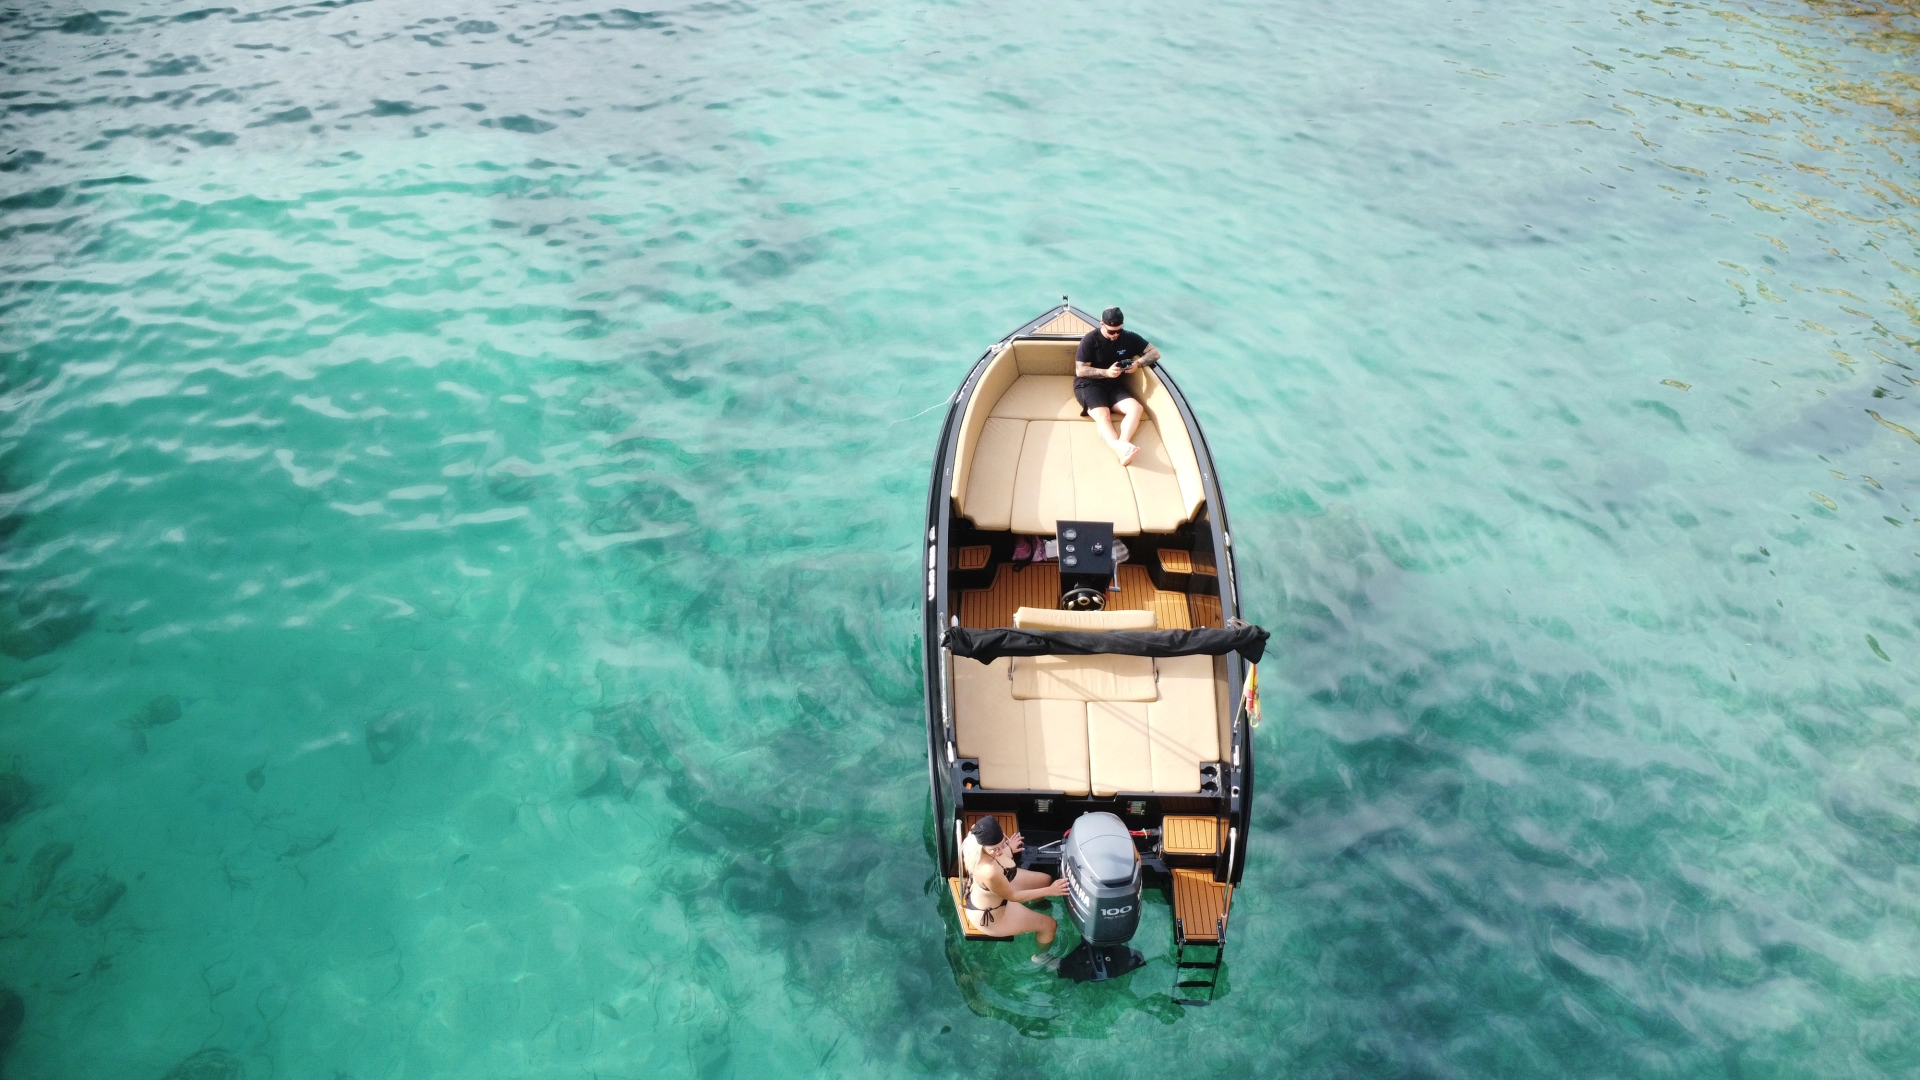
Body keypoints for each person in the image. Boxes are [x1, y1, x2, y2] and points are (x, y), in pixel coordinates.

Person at [960, 815, 1072, 965]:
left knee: (1045, 880)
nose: (1000, 851)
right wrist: (1050, 891)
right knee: (1049, 925)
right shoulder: (988, 871)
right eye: (994, 849)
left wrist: (1009, 847)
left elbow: (997, 851)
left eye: (1002, 844)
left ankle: (1033, 907)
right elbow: (1013, 896)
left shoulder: (978, 835)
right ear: (981, 847)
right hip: (994, 915)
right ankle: (1041, 958)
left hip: (999, 890)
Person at [1075, 307, 1161, 466]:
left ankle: (1123, 443)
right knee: (1103, 415)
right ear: (1102, 324)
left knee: (1136, 408)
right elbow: (1080, 370)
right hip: (1089, 384)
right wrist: (1106, 373)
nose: (1115, 335)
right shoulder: (1090, 340)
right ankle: (1121, 449)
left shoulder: (1129, 337)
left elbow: (1154, 353)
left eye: (1119, 331)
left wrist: (1138, 364)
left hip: (1114, 385)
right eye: (1111, 331)